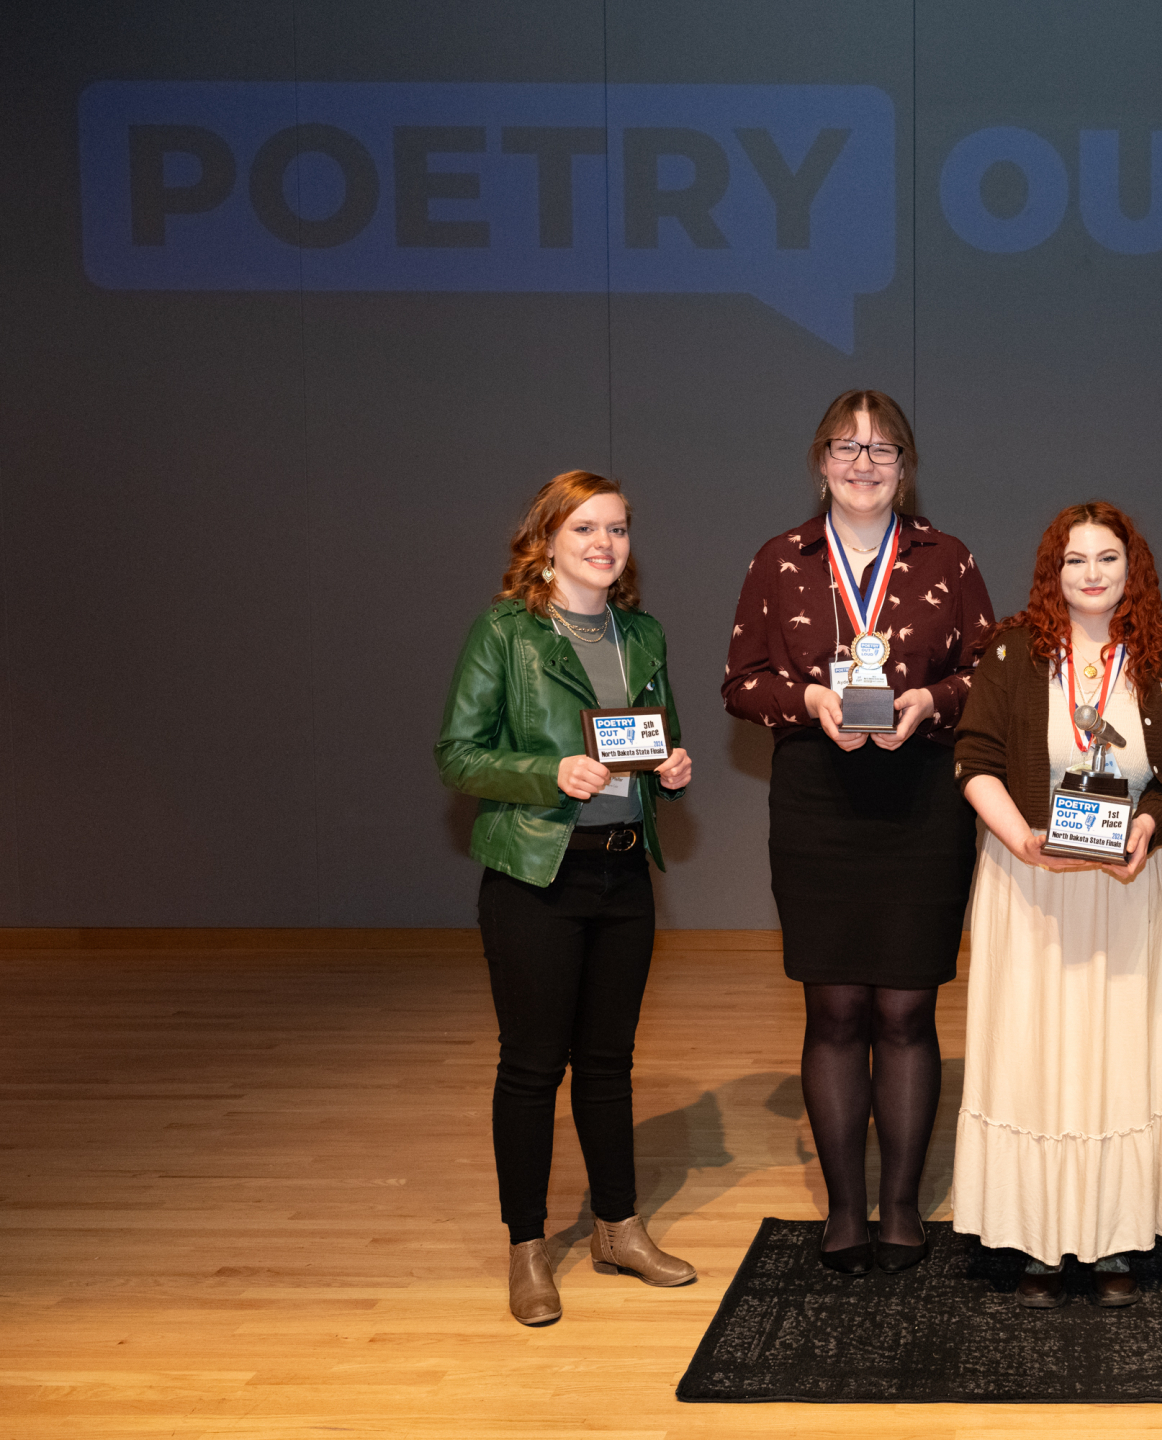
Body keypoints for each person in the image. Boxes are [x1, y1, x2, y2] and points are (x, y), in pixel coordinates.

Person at [723, 389, 995, 1276]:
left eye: (882, 451)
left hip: (922, 800)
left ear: (906, 466)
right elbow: (740, 681)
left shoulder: (947, 559)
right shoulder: (780, 559)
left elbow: (985, 673)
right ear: (820, 460)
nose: (864, 464)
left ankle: (904, 1207)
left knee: (908, 1009)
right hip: (817, 797)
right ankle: (845, 1209)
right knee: (835, 1006)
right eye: (847, 447)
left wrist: (930, 700)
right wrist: (805, 699)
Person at [436, 470, 697, 1326]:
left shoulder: (643, 635)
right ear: (546, 539)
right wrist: (544, 771)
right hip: (536, 876)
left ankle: (617, 1229)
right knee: (532, 1066)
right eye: (585, 528)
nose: (603, 544)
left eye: (617, 529)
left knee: (611, 1063)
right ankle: (527, 1248)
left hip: (625, 874)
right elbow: (458, 755)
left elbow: (657, 736)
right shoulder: (505, 632)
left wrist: (673, 768)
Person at [952, 502, 1162, 1309]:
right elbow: (975, 758)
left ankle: (1116, 1234)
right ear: (1050, 572)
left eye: (1107, 560)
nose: (1091, 574)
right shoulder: (1012, 651)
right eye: (1074, 561)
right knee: (1032, 1052)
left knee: (1119, 1055)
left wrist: (1148, 827)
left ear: (1134, 573)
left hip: (1125, 888)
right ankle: (1032, 1236)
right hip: (1031, 883)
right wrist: (1022, 839)